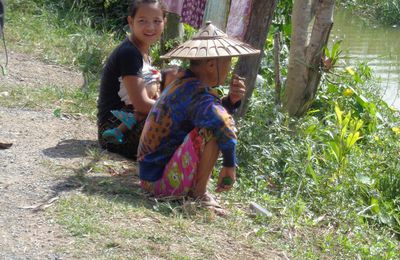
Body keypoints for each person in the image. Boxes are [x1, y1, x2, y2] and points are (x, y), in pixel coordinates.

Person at [137, 22, 260, 214]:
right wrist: (229, 166)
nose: (229, 67)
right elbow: (222, 122)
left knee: (215, 122)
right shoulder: (197, 92)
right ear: (212, 64)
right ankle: (199, 193)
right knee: (215, 129)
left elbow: (207, 114)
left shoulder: (183, 82)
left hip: (148, 177)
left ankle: (196, 188)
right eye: (227, 61)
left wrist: (231, 101)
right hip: (159, 183)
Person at [97, 0, 166, 159]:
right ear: (131, 21)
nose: (150, 27)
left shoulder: (142, 51)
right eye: (142, 21)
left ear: (164, 22)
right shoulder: (129, 53)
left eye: (157, 21)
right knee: (176, 127)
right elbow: (141, 104)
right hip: (115, 130)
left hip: (132, 122)